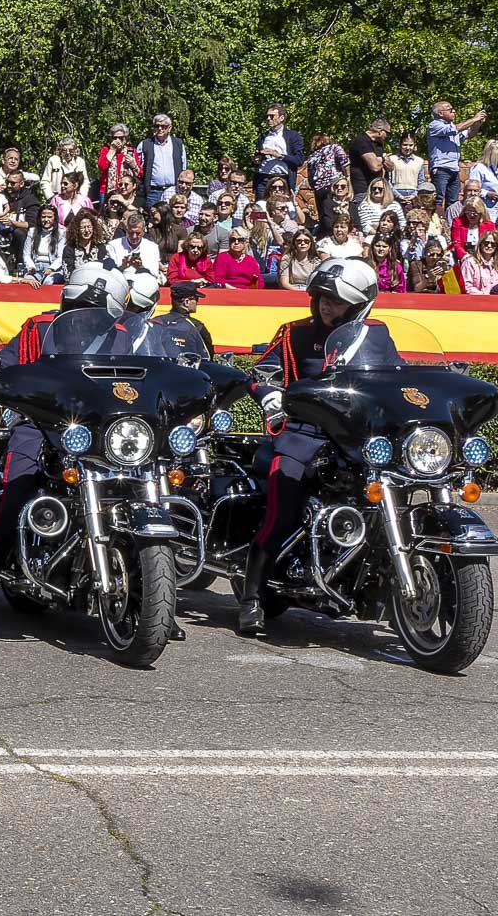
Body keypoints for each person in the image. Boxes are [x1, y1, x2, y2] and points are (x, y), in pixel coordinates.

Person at [0, 264, 133, 638]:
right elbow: (7, 367)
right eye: (84, 301)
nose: (87, 309)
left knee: (138, 490)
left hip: (98, 431)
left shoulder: (121, 336)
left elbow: (138, 379)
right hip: (39, 425)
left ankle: (149, 601)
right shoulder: (38, 328)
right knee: (15, 495)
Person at [238, 259, 379, 635]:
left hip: (354, 440)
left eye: (336, 301)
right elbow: (262, 373)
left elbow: (394, 377)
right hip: (303, 433)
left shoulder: (375, 336)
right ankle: (251, 598)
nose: (326, 306)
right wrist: (268, 394)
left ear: (359, 304)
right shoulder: (294, 334)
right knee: (282, 510)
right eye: (321, 298)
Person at [427, 99, 487, 213]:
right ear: (440, 113)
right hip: (441, 169)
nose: (454, 111)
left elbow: (469, 134)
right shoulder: (435, 125)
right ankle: (436, 222)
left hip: (454, 169)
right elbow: (456, 129)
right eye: (450, 109)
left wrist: (477, 124)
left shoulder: (453, 127)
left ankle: (451, 223)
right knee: (438, 199)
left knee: (453, 201)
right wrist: (474, 118)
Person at [255, 104, 305, 200]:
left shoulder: (293, 136)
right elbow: (256, 161)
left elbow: (299, 160)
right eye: (267, 116)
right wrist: (256, 160)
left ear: (281, 118)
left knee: (281, 209)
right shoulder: (263, 137)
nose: (268, 119)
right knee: (260, 211)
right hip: (263, 179)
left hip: (282, 179)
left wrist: (278, 155)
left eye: (272, 116)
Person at [136, 114, 185, 209]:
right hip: (152, 193)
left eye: (163, 126)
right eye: (157, 126)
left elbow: (183, 168)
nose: (160, 128)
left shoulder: (178, 144)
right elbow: (138, 169)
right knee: (153, 219)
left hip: (173, 191)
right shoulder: (145, 145)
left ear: (169, 128)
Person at [20, 205, 65, 284]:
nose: (46, 220)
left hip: (52, 269)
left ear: (54, 218)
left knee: (49, 282)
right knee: (28, 281)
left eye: (49, 217)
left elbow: (61, 257)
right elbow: (26, 254)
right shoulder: (32, 232)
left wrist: (51, 269)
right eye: (43, 217)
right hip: (35, 267)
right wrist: (31, 267)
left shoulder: (61, 234)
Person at [106, 211, 161, 275]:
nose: (134, 236)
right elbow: (109, 274)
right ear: (126, 230)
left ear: (143, 231)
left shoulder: (152, 248)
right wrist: (123, 266)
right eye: (131, 233)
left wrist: (141, 267)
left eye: (138, 233)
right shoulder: (113, 246)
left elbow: (154, 275)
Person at [166, 282, 214, 354]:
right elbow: (208, 355)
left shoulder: (157, 322)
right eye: (196, 299)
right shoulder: (196, 326)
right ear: (187, 302)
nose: (197, 302)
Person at [40, 137, 89, 203]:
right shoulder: (53, 160)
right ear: (60, 151)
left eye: (71, 150)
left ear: (75, 151)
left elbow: (85, 182)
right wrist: (51, 198)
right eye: (64, 150)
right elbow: (45, 181)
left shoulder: (80, 162)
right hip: (57, 198)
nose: (68, 153)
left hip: (76, 200)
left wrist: (82, 197)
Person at [98, 123, 141, 195]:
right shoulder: (106, 150)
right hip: (108, 190)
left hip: (127, 190)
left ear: (125, 139)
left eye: (121, 138)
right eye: (115, 138)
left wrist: (133, 164)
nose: (117, 141)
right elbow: (102, 166)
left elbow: (139, 174)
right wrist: (112, 150)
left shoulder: (131, 151)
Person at [386, 134, 426, 204]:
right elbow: (388, 180)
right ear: (400, 145)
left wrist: (414, 195)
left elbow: (421, 181)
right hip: (396, 193)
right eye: (405, 145)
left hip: (414, 194)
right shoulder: (392, 159)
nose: (408, 148)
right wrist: (398, 195)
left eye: (411, 145)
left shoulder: (419, 161)